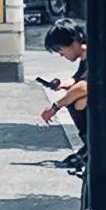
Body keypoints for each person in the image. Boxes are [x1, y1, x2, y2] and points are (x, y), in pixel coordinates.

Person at [39, 21, 89, 174]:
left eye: (60, 49)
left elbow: (85, 86)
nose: (61, 54)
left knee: (76, 101)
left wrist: (55, 106)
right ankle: (90, 146)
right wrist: (62, 84)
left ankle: (92, 148)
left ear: (73, 43)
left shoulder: (94, 54)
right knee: (74, 98)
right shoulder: (85, 55)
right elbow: (78, 78)